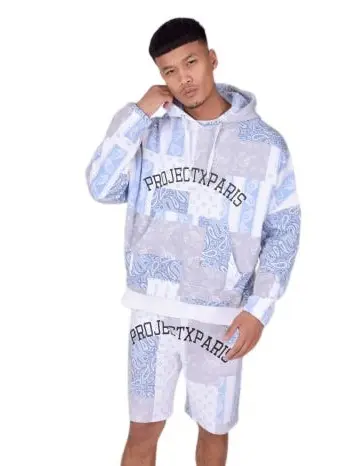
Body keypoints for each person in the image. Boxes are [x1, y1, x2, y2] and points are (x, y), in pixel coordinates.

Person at [85, 17, 301, 466]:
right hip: (152, 307)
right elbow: (101, 187)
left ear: (211, 59)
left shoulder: (266, 145)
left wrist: (259, 309)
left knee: (214, 430)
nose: (183, 78)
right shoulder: (149, 130)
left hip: (222, 315)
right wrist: (138, 114)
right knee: (142, 430)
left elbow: (284, 229)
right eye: (169, 70)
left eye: (191, 62)